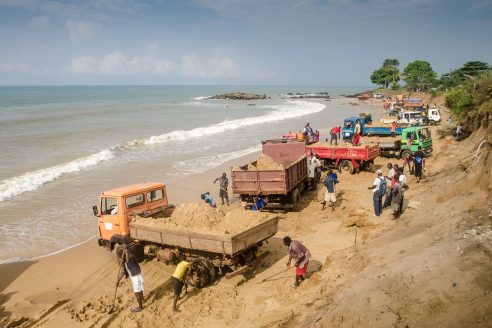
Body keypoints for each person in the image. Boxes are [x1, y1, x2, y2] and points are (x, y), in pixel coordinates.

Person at [116, 244, 144, 313]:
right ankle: (142, 299)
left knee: (137, 292)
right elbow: (123, 272)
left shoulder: (129, 259)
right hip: (139, 276)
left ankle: (140, 307)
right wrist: (118, 280)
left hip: (135, 278)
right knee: (140, 289)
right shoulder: (129, 260)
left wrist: (126, 251)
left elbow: (128, 260)